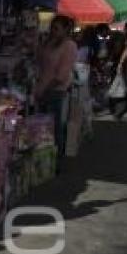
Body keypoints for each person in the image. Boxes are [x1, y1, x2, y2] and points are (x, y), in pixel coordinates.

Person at [34, 15, 77, 156]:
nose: (53, 31)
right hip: (41, 89)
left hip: (55, 91)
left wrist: (44, 89)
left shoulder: (69, 46)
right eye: (52, 27)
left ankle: (55, 159)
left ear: (66, 29)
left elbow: (61, 75)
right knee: (40, 127)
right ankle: (42, 157)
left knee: (53, 127)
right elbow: (39, 61)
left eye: (57, 28)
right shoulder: (49, 43)